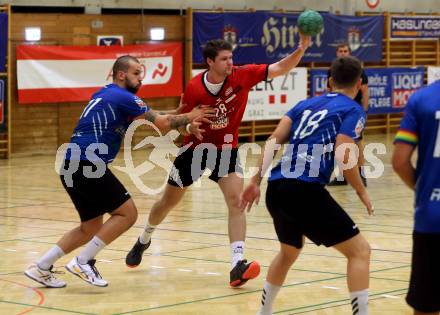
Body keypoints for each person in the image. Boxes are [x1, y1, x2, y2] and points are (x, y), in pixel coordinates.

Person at [125, 34, 311, 287]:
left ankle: (237, 264)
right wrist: (190, 127)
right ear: (210, 62)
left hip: (226, 150)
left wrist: (300, 49)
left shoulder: (242, 75)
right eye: (224, 59)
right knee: (168, 202)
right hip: (194, 151)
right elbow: (180, 126)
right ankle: (144, 239)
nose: (230, 63)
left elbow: (280, 68)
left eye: (231, 57)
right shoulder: (194, 88)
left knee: (236, 202)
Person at [24, 55, 213, 288]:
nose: (140, 78)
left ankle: (42, 266)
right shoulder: (124, 96)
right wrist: (190, 116)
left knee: (90, 227)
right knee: (127, 214)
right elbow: (162, 124)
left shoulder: (107, 94)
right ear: (121, 74)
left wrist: (179, 115)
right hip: (88, 162)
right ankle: (83, 261)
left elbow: (156, 120)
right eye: (136, 73)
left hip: (70, 164)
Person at [240, 56, 373, 315]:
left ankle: (263, 313)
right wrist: (361, 190)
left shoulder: (304, 105)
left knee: (289, 252)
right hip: (305, 190)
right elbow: (345, 150)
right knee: (360, 251)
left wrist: (255, 180)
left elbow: (273, 139)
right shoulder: (353, 109)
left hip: (276, 189)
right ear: (359, 83)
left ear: (330, 82)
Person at [392, 79, 440, 315]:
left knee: (426, 306)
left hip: (432, 218)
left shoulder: (422, 99)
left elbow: (400, 161)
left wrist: (424, 192)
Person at [327, 42, 369, 186]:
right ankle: (342, 176)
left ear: (349, 52)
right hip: (337, 110)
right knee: (339, 143)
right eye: (340, 51)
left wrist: (364, 110)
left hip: (354, 111)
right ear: (337, 53)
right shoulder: (332, 70)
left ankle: (362, 175)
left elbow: (365, 91)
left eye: (345, 51)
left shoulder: (359, 70)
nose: (343, 53)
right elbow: (330, 91)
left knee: (357, 142)